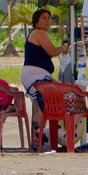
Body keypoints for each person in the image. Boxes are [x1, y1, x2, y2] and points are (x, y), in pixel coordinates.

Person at [20, 8, 70, 149]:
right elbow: (52, 51)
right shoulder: (39, 32)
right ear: (36, 21)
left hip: (32, 74)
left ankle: (35, 141)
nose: (47, 20)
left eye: (49, 18)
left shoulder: (35, 34)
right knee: (43, 105)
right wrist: (63, 48)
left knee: (37, 107)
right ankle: (38, 139)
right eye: (44, 18)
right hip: (36, 74)